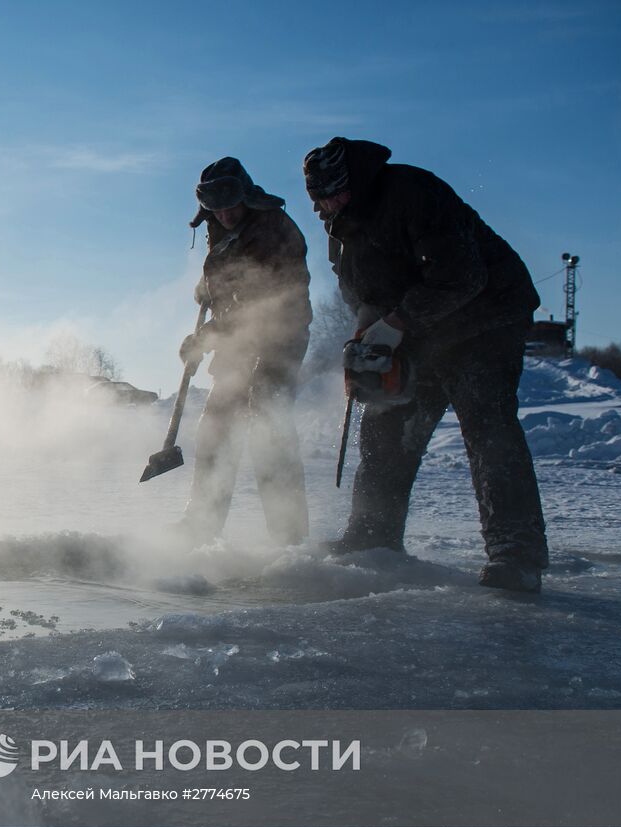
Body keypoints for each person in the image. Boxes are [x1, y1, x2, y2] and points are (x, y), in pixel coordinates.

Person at [303, 137, 548, 592]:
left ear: (357, 178)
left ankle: (516, 551)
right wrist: (366, 337)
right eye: (319, 196)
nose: (328, 202)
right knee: (386, 426)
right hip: (422, 330)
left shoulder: (413, 192)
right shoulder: (341, 225)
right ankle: (372, 536)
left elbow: (463, 275)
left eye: (336, 190)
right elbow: (359, 290)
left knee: (487, 427)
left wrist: (398, 322)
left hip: (486, 318)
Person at [180, 157, 312, 546]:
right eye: (215, 208)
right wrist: (210, 287)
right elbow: (231, 282)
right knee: (216, 429)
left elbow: (262, 304)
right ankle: (201, 527)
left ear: (247, 196)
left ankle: (289, 540)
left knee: (268, 431)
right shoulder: (219, 225)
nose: (224, 213)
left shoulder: (273, 228)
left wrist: (207, 335)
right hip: (237, 343)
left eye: (230, 205)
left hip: (279, 337)